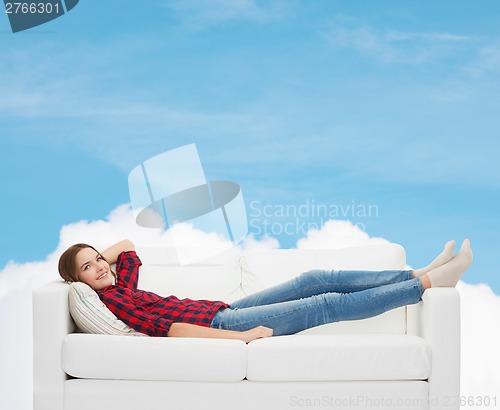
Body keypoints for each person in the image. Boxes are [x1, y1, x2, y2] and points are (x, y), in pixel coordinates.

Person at [58, 238, 472, 343]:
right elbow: (170, 331)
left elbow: (128, 249)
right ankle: (427, 284)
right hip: (223, 322)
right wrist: (239, 337)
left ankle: (414, 273)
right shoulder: (111, 301)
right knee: (323, 304)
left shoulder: (117, 286)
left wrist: (93, 259)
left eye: (98, 260)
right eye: (89, 268)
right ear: (78, 282)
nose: (101, 267)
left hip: (225, 307)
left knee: (313, 278)